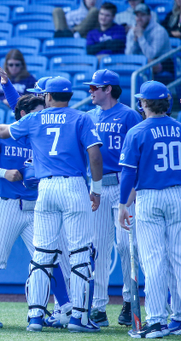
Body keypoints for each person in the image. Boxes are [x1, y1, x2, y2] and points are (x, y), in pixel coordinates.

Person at [0, 76, 104, 333]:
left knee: (42, 255)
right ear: (68, 96)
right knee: (79, 254)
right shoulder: (81, 118)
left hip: (45, 189)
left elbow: (4, 131)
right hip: (73, 186)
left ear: (48, 96)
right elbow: (94, 154)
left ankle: (35, 316)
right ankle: (78, 318)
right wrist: (97, 190)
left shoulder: (36, 118)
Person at [0, 94, 43, 328]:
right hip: (5, 204)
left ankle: (54, 310)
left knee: (45, 259)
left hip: (34, 206)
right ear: (24, 114)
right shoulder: (3, 134)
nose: (43, 115)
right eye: (38, 111)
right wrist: (3, 173)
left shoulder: (40, 135)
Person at [118, 81, 181, 339]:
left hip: (149, 198)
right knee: (178, 259)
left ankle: (156, 321)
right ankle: (177, 317)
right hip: (177, 195)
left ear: (144, 103)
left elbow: (127, 174)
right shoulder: (179, 128)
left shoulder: (138, 131)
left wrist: (123, 204)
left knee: (154, 260)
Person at [82, 70, 143, 328]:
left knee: (125, 246)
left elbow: (138, 154)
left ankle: (129, 301)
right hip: (97, 185)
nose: (91, 91)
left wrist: (133, 192)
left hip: (122, 184)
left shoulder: (129, 114)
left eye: (95, 87)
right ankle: (98, 305)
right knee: (98, 248)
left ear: (109, 89)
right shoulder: (88, 116)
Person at [125, 4, 173, 78]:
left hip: (163, 62)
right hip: (142, 60)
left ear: (149, 16)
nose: (139, 18)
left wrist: (141, 37)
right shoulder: (133, 31)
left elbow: (151, 55)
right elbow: (128, 54)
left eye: (142, 15)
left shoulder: (159, 31)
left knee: (148, 63)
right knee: (122, 63)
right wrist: (134, 41)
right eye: (137, 15)